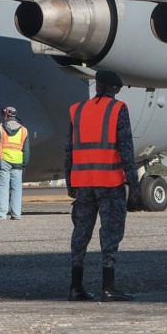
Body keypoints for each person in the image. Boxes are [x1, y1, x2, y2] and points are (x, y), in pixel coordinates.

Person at [65, 69, 141, 302]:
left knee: (81, 234)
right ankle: (108, 288)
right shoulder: (118, 109)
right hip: (109, 182)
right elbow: (126, 149)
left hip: (83, 183)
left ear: (97, 86)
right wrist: (134, 185)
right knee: (110, 234)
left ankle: (75, 287)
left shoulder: (77, 110)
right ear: (114, 88)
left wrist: (69, 181)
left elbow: (69, 149)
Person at [0, 106, 29, 220]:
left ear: (5, 115)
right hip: (18, 162)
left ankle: (1, 214)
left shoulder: (0, 128)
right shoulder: (23, 130)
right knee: (17, 189)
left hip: (4, 160)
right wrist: (24, 163)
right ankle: (16, 214)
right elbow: (26, 149)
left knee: (2, 187)